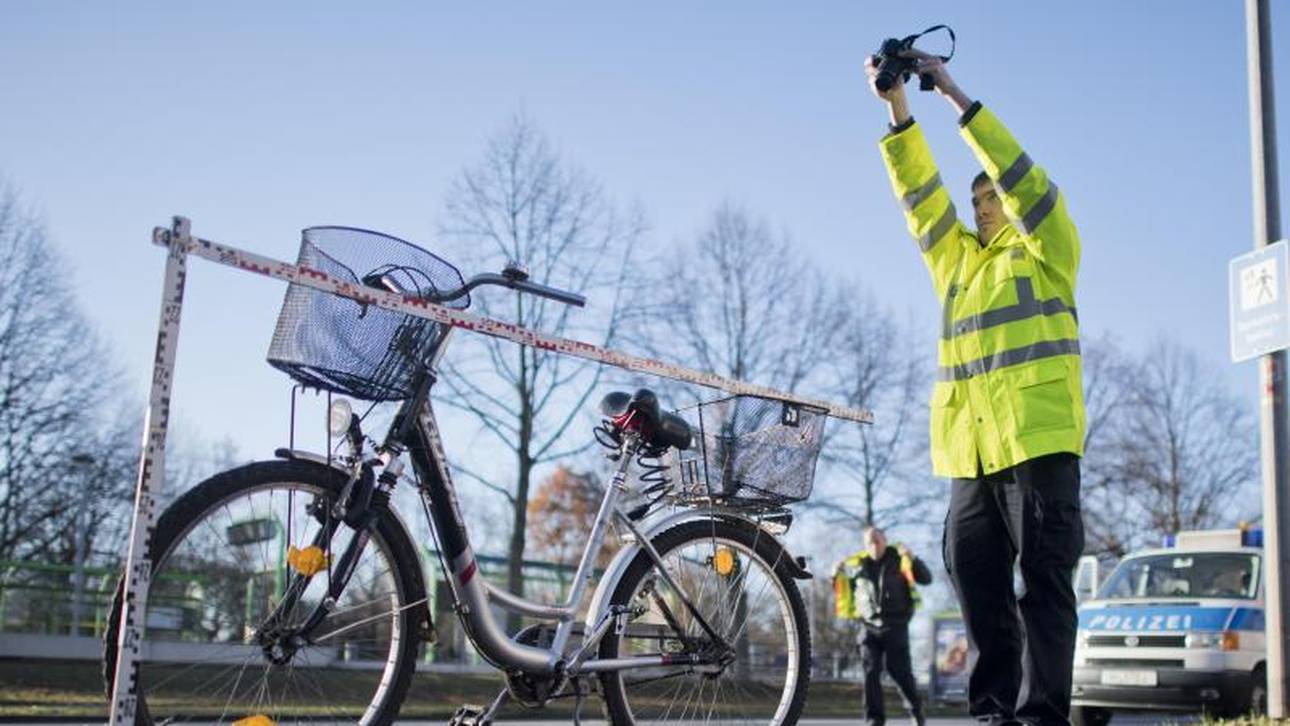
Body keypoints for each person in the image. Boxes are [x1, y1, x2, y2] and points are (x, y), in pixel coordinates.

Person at [864, 48, 1087, 726]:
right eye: (979, 199)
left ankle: (1044, 714)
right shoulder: (955, 262)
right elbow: (918, 194)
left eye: (994, 195)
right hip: (970, 454)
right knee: (977, 588)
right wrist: (898, 106)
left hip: (1038, 444)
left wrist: (952, 94)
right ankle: (993, 713)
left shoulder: (1049, 249)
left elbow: (1021, 172)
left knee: (1044, 587)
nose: (985, 205)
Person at [834, 526, 933, 726]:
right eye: (869, 542)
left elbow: (926, 579)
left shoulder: (900, 559)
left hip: (895, 625)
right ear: (865, 545)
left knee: (900, 672)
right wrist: (835, 575)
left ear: (885, 541)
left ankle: (916, 710)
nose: (874, 545)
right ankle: (874, 720)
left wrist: (913, 558)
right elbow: (844, 589)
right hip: (868, 626)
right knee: (870, 672)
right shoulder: (857, 565)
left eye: (877, 540)